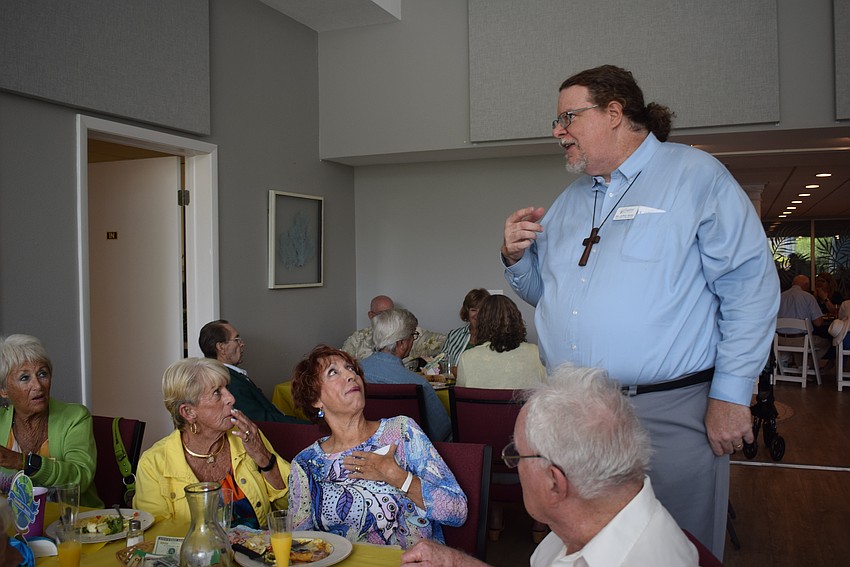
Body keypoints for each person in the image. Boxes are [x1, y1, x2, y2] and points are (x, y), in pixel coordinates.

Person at [500, 64, 779, 556]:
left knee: (677, 546)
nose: (556, 130)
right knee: (591, 547)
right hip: (579, 416)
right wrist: (516, 259)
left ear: (614, 112)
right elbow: (550, 295)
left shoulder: (694, 176)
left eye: (568, 116)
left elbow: (748, 290)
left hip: (670, 411)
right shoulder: (567, 202)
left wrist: (732, 395)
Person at [400, 365, 698, 566]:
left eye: (517, 454)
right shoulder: (586, 517)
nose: (511, 463)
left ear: (555, 482)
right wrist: (457, 562)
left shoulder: (639, 557)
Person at [288, 345, 466, 549]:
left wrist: (396, 476)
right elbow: (300, 544)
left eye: (351, 369)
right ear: (315, 399)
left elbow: (457, 511)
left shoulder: (401, 431)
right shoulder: (306, 464)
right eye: (333, 372)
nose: (350, 376)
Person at [134, 358, 289, 527]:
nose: (231, 398)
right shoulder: (153, 464)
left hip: (259, 550)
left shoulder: (247, 437)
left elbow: (291, 508)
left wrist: (264, 458)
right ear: (188, 411)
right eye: (217, 392)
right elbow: (156, 537)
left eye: (227, 389)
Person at [0, 335, 102, 507]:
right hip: (12, 527)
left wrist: (23, 462)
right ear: (3, 390)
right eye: (25, 378)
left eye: (42, 374)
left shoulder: (75, 417)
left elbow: (80, 478)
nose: (38, 386)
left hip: (72, 523)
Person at [359, 309, 452, 442]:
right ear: (401, 343)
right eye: (412, 336)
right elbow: (442, 431)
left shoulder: (353, 373)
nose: (413, 341)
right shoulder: (417, 384)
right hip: (406, 454)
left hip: (361, 448)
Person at [199, 319, 303, 423]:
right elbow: (262, 421)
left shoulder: (230, 375)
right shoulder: (228, 381)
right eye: (237, 339)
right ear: (221, 347)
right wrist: (309, 426)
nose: (242, 343)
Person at [456, 295, 547, 389]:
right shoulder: (536, 353)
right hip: (525, 404)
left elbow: (459, 395)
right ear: (517, 320)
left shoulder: (466, 358)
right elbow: (551, 392)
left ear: (481, 323)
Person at [341, 295, 447, 365]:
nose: (387, 318)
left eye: (391, 313)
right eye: (382, 314)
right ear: (370, 315)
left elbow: (447, 341)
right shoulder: (357, 339)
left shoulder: (410, 334)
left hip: (404, 389)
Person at [778, 274, 830, 365]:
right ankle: (807, 366)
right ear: (806, 285)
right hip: (801, 340)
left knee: (803, 342)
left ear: (793, 283)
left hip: (780, 340)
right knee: (826, 343)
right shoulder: (808, 297)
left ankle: (798, 367)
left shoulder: (780, 296)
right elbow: (818, 323)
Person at [439, 288, 490, 370]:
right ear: (467, 312)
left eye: (483, 310)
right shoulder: (453, 335)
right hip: (455, 382)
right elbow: (441, 363)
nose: (478, 315)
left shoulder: (496, 337)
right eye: (473, 310)